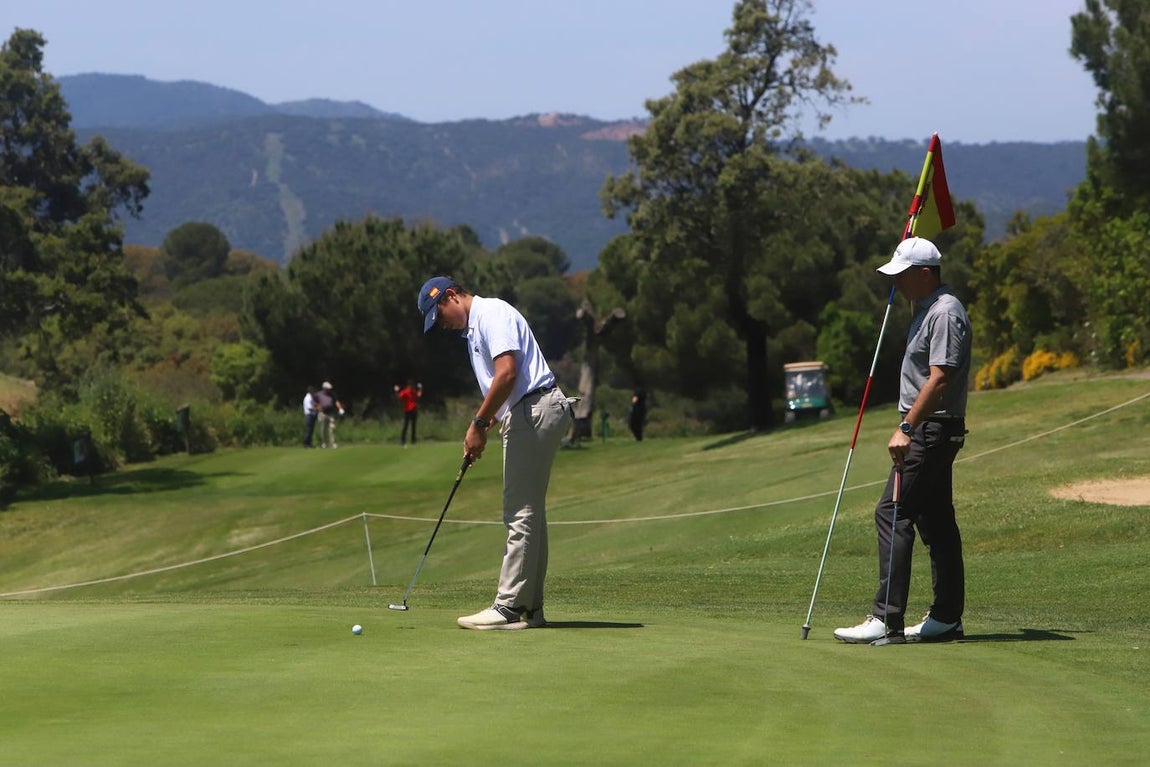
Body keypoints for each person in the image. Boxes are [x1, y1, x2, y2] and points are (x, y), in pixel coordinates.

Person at [834, 237, 972, 645]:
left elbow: (940, 379)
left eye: (904, 275)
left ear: (926, 273)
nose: (897, 284)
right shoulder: (928, 309)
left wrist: (907, 428)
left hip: (930, 429)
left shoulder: (945, 313)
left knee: (893, 511)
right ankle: (946, 617)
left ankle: (885, 618)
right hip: (932, 428)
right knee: (936, 521)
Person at [418, 276, 572, 630]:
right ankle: (529, 609)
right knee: (530, 511)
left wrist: (477, 423)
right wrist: (486, 427)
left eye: (439, 316)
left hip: (533, 409)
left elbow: (507, 374)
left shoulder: (492, 313)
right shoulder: (473, 332)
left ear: (451, 296)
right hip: (527, 410)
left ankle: (508, 606)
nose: (441, 326)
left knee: (519, 510)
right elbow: (501, 385)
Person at [315, 381, 345, 449]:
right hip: (322, 413)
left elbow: (336, 402)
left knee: (332, 428)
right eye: (327, 389)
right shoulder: (318, 394)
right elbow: (315, 403)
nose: (329, 390)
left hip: (331, 413)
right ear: (324, 388)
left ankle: (333, 443)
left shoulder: (332, 395)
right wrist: (318, 407)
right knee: (323, 430)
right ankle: (324, 443)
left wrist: (340, 408)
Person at [394, 379, 423, 446]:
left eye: (412, 386)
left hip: (414, 410)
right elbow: (399, 397)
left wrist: (421, 388)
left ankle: (413, 440)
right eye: (411, 386)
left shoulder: (413, 391)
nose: (412, 387)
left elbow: (419, 395)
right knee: (405, 426)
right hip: (407, 411)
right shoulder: (405, 392)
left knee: (413, 426)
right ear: (408, 385)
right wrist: (396, 391)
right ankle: (402, 440)